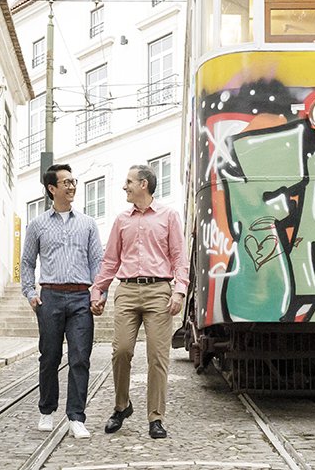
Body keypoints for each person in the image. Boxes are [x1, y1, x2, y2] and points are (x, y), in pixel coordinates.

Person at [91, 163, 188, 440]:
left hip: (159, 290)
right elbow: (110, 260)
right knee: (121, 351)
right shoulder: (121, 220)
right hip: (127, 291)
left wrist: (179, 290)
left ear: (143, 184)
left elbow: (179, 257)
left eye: (129, 182)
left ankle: (155, 417)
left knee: (158, 357)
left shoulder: (168, 216)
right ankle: (122, 406)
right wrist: (98, 291)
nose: (125, 186)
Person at [19, 163, 103, 439]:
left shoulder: (88, 224)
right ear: (52, 188)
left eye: (73, 181)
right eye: (65, 182)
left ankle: (76, 417)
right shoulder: (38, 225)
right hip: (51, 297)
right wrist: (30, 293)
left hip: (81, 297)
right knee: (50, 357)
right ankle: (46, 411)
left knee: (80, 357)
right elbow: (28, 262)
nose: (71, 186)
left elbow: (96, 262)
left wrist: (97, 292)